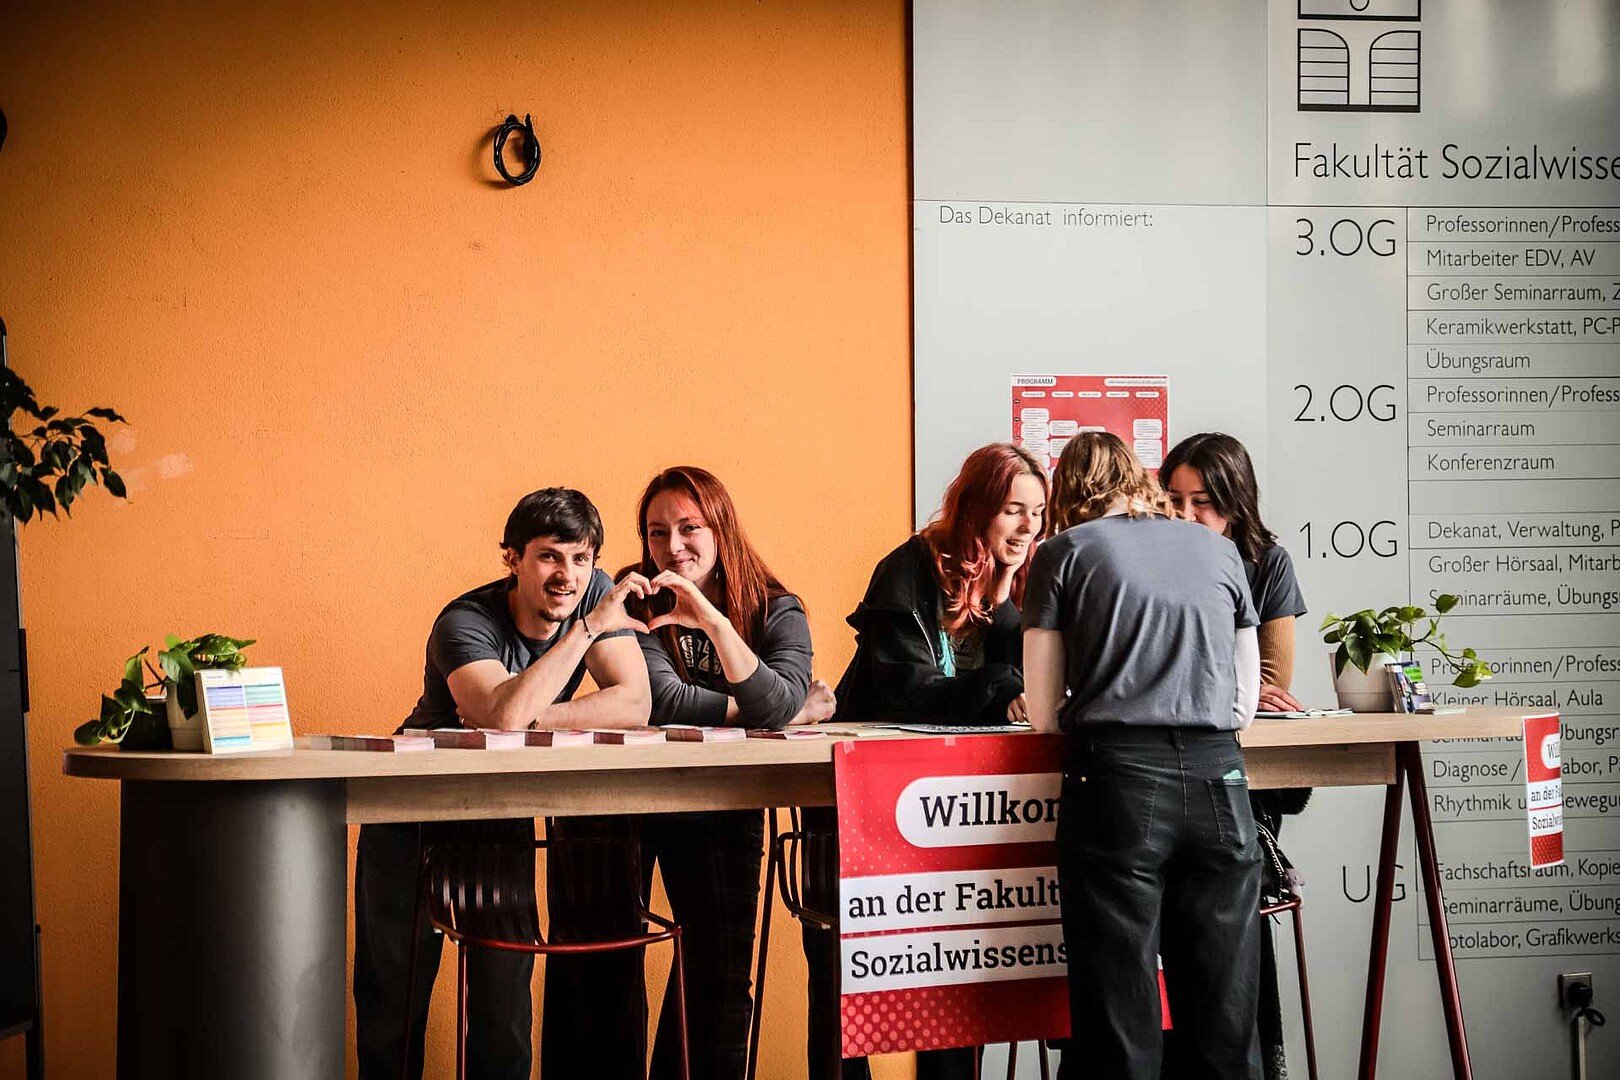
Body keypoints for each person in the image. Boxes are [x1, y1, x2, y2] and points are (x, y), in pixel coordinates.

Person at [353, 487, 653, 1080]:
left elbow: (634, 703)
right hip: (410, 811)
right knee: (394, 1006)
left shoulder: (589, 593)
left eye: (581, 559)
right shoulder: (464, 621)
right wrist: (586, 630)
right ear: (512, 559)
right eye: (548, 557)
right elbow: (500, 716)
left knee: (504, 1005)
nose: (567, 575)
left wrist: (529, 717)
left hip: (497, 808)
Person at [804, 442, 1048, 1080]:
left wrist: (1002, 599)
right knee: (846, 972)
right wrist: (1001, 686)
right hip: (866, 795)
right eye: (1013, 510)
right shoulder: (910, 566)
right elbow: (908, 690)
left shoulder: (1025, 581)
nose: (1028, 526)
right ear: (977, 509)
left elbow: (1031, 685)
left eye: (1037, 512)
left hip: (951, 800)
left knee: (953, 967)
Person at [1024, 432, 1262, 1080]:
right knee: (1225, 1022)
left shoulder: (1064, 552)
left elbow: (1042, 712)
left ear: (1068, 493)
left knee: (1120, 1022)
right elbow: (1243, 705)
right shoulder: (1219, 550)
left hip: (1117, 783)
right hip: (1220, 780)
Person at [625, 465, 832, 1080]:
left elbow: (774, 704)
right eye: (657, 532)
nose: (673, 546)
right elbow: (663, 702)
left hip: (724, 800)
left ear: (721, 529)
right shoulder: (632, 599)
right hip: (627, 792)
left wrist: (713, 622)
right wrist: (788, 711)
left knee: (719, 976)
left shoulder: (775, 607)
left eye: (690, 528)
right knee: (607, 969)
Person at [1161, 432, 1309, 1080]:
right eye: (1174, 499)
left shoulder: (1266, 563)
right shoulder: (1150, 557)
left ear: (1235, 501)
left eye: (1203, 501)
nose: (1187, 515)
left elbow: (1270, 683)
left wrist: (1203, 686)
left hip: (1232, 778)